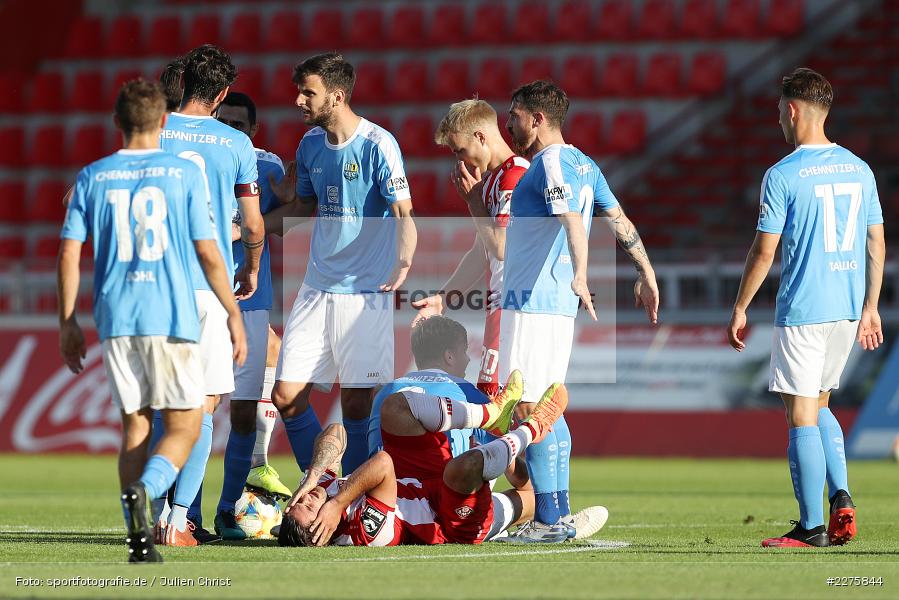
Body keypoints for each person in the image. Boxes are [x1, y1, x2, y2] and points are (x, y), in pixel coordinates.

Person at [57, 79, 247, 562]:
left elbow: (69, 252)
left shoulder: (92, 176)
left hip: (117, 319)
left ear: (117, 122)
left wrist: (67, 321)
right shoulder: (181, 175)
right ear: (163, 122)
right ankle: (148, 490)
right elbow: (208, 250)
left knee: (135, 428)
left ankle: (138, 537)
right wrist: (232, 313)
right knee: (186, 425)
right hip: (172, 314)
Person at [727, 68, 885, 548]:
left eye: (779, 109)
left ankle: (811, 526)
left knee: (800, 417)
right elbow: (875, 241)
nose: (778, 118)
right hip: (845, 310)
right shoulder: (860, 169)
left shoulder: (782, 174)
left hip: (803, 310)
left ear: (792, 110)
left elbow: (764, 251)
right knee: (819, 405)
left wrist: (740, 306)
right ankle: (841, 499)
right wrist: (871, 306)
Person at [497, 80, 660, 542]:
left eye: (514, 114)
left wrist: (581, 274)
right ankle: (558, 513)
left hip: (533, 302)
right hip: (555, 307)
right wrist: (647, 271)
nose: (508, 122)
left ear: (537, 118)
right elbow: (619, 219)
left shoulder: (549, 162)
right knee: (549, 407)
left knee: (527, 406)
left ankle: (548, 521)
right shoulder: (585, 164)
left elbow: (570, 218)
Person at [268, 53, 417, 477]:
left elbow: (405, 214)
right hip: (317, 287)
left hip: (365, 291)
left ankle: (350, 498)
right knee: (286, 394)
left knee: (357, 402)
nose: (298, 100)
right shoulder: (310, 145)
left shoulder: (378, 144)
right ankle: (323, 485)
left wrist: (404, 260)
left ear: (336, 96)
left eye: (307, 92)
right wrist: (247, 228)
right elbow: (302, 207)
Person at [154, 44, 264, 547]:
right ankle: (177, 520)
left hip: (153, 286)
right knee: (203, 404)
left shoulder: (150, 129)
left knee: (162, 405)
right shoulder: (236, 143)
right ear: (221, 93)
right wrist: (252, 267)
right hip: (206, 287)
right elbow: (255, 223)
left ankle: (154, 512)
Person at [366, 315, 609, 541]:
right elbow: (511, 470)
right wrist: (531, 483)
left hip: (383, 505)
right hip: (448, 509)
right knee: (532, 492)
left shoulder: (385, 394)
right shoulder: (469, 394)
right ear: (449, 356)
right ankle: (506, 520)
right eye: (464, 351)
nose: (469, 359)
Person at [277, 376, 568, 547]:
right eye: (307, 510)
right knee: (465, 470)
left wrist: (314, 475)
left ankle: (489, 416)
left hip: (419, 477)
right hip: (450, 521)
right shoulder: (364, 532)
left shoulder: (321, 492)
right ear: (322, 530)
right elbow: (383, 464)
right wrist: (339, 502)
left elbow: (336, 432)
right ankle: (532, 429)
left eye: (297, 503)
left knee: (396, 406)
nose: (304, 501)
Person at [213, 91, 293, 539]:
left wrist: (252, 225)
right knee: (192, 408)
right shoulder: (200, 157)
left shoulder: (268, 166)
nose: (230, 131)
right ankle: (176, 512)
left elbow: (290, 215)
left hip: (250, 301)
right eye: (223, 121)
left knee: (243, 412)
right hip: (202, 297)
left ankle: (227, 510)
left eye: (239, 126)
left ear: (253, 131)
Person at [413, 99, 529, 395]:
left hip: (516, 311)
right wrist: (443, 299)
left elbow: (501, 248)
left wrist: (474, 204)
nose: (460, 161)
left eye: (460, 151)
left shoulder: (514, 177)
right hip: (500, 308)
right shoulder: (493, 181)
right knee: (505, 406)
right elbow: (482, 253)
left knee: (507, 406)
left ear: (480, 136)